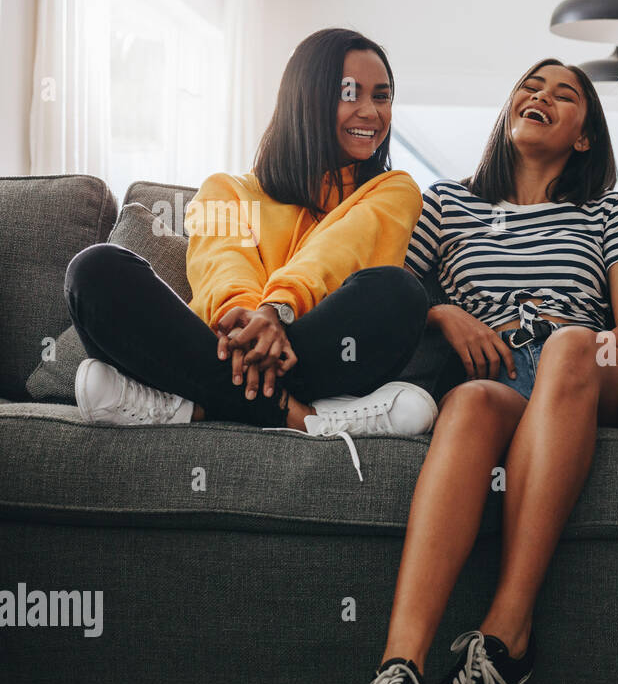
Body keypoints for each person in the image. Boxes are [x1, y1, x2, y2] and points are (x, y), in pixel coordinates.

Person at [347, 59, 618, 684]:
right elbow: (392, 298)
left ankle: (507, 633)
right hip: (493, 373)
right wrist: (444, 313)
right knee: (466, 405)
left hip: (584, 368)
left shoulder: (610, 208)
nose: (540, 95)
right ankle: (398, 670)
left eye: (564, 93)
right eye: (531, 85)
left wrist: (571, 343)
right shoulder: (446, 203)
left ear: (583, 136)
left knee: (574, 348)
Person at [65, 28, 436, 457]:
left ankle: (195, 405)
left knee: (400, 292)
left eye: (382, 96)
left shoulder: (394, 188)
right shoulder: (226, 188)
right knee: (96, 269)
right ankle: (303, 416)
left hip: (315, 354)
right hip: (226, 345)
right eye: (350, 93)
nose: (371, 111)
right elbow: (222, 261)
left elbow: (341, 249)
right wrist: (246, 322)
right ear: (306, 98)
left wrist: (278, 310)